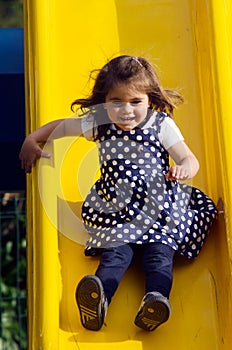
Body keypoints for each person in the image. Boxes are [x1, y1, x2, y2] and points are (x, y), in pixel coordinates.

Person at [19, 55, 217, 332]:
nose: (126, 110)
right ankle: (99, 297)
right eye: (116, 102)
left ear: (149, 99)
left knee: (159, 255)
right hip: (117, 211)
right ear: (104, 102)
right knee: (115, 254)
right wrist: (32, 138)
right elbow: (62, 126)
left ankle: (156, 300)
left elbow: (188, 158)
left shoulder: (161, 124)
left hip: (158, 209)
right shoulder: (100, 124)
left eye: (135, 102)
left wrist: (184, 168)